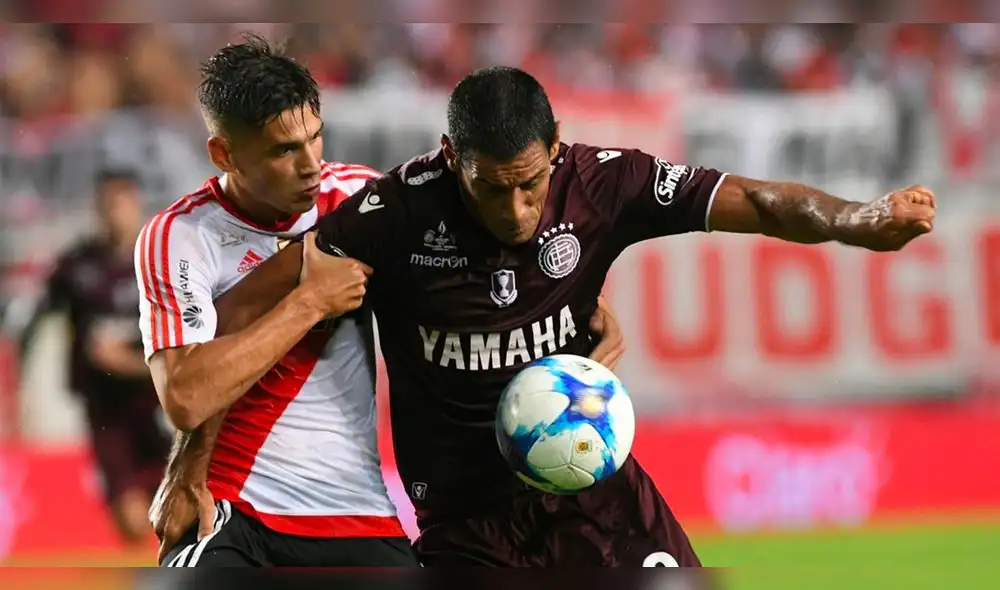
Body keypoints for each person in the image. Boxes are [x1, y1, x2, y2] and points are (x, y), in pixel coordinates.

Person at [158, 65, 936, 567]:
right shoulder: (390, 211)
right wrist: (189, 465)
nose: (518, 209)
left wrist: (858, 220)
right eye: (491, 188)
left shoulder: (604, 182)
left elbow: (758, 200)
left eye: (530, 183)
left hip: (595, 489)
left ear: (556, 150)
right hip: (466, 526)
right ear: (449, 157)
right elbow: (232, 326)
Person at [139, 34, 628, 568]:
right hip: (238, 510)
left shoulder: (363, 200)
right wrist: (308, 303)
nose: (310, 165)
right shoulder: (180, 238)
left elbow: (490, 265)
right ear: (223, 153)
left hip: (359, 513)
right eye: (284, 150)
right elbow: (186, 395)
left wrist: (580, 308)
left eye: (314, 139)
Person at [16, 169, 170, 545]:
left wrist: (137, 364)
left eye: (122, 202)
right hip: (106, 412)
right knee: (131, 520)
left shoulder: (161, 263)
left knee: (177, 510)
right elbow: (35, 320)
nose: (115, 212)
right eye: (107, 204)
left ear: (136, 205)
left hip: (161, 406)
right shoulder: (76, 267)